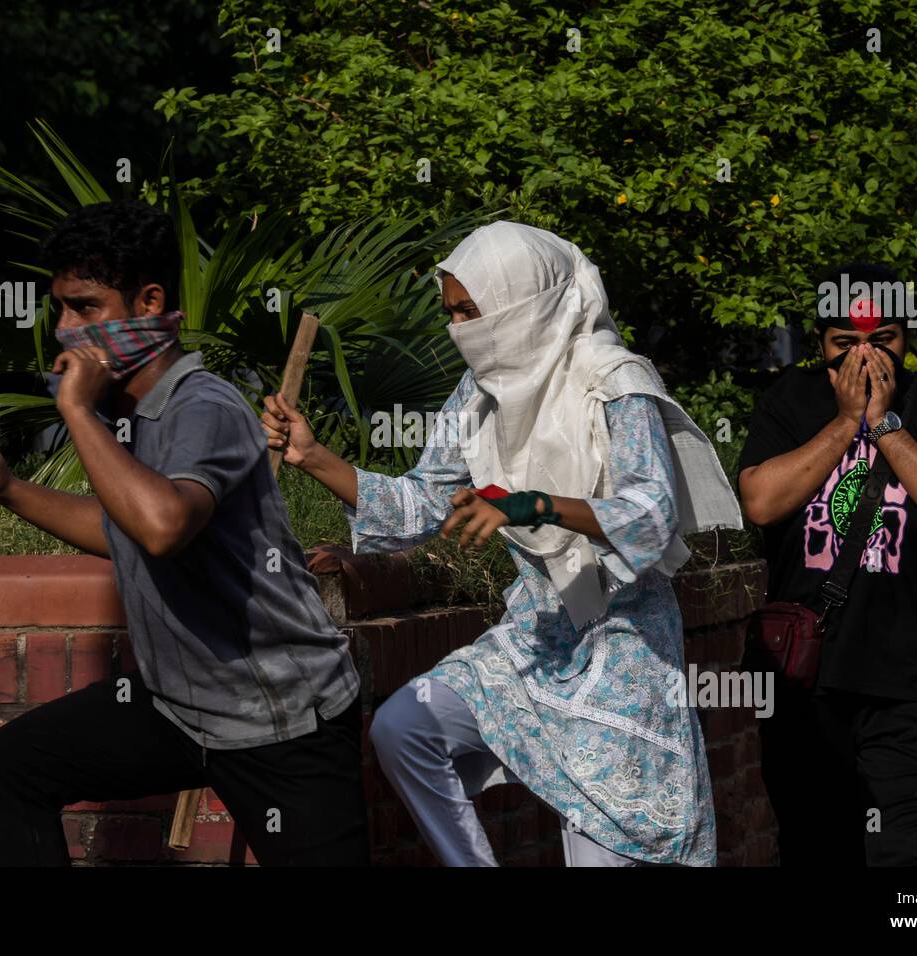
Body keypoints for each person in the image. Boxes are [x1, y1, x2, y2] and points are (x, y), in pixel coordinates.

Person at [263, 221, 742, 866]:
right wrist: (315, 456)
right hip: (535, 632)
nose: (462, 329)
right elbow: (426, 500)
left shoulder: (616, 383)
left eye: (472, 311)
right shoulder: (480, 392)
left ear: (524, 303)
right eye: (453, 314)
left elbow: (649, 515)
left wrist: (536, 505)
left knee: (609, 838)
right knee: (405, 729)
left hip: (622, 650)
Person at [0, 200, 367, 866]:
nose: (66, 330)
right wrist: (7, 489)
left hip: (280, 716)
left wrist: (76, 411)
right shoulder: (132, 414)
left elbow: (163, 526)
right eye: (59, 309)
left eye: (86, 308)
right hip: (181, 708)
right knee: (9, 770)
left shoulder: (202, 404)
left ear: (149, 301)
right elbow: (122, 525)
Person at [737, 262, 917, 866]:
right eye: (845, 344)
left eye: (882, 340)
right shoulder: (792, 398)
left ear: (906, 339)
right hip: (809, 683)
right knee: (815, 850)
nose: (864, 357)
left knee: (908, 860)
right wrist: (841, 423)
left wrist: (883, 424)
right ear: (821, 346)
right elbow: (761, 501)